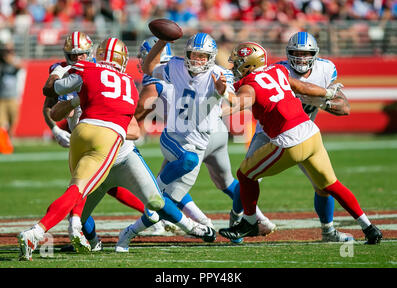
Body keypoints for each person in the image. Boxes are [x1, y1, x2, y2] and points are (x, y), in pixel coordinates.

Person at [115, 33, 274, 252]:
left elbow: (235, 100)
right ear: (185, 53)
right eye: (194, 55)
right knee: (214, 177)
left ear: (211, 57)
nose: (197, 60)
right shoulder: (175, 66)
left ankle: (225, 222)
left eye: (202, 56)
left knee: (163, 202)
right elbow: (151, 67)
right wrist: (161, 41)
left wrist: (221, 95)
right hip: (178, 138)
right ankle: (242, 220)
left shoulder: (219, 74)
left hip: (202, 139)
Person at [217, 41, 382, 245]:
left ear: (248, 65)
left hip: (289, 140)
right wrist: (328, 93)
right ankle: (369, 227)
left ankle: (250, 222)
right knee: (331, 185)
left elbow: (239, 103)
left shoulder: (249, 86)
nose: (235, 66)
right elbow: (303, 87)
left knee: (245, 174)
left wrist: (225, 93)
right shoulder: (277, 70)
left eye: (239, 63)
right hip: (311, 133)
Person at [42, 32, 147, 252]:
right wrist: (54, 130)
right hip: (80, 134)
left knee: (85, 188)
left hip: (99, 130)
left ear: (91, 53)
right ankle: (89, 236)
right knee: (93, 187)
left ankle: (86, 236)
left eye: (81, 54)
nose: (77, 58)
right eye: (72, 55)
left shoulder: (97, 68)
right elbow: (48, 102)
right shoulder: (61, 69)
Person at [247, 32, 353, 242]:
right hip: (268, 133)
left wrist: (323, 102)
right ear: (288, 53)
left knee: (323, 185)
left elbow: (345, 108)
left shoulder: (325, 69)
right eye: (296, 53)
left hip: (302, 134)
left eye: (306, 53)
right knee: (248, 177)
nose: (301, 58)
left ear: (314, 54)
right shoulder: (278, 70)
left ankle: (328, 231)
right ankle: (240, 223)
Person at [0, 40, 25, 154]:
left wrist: (9, 60)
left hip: (13, 98)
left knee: (12, 122)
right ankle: (3, 144)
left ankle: (8, 142)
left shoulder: (15, 60)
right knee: (1, 123)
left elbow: (20, 66)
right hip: (2, 98)